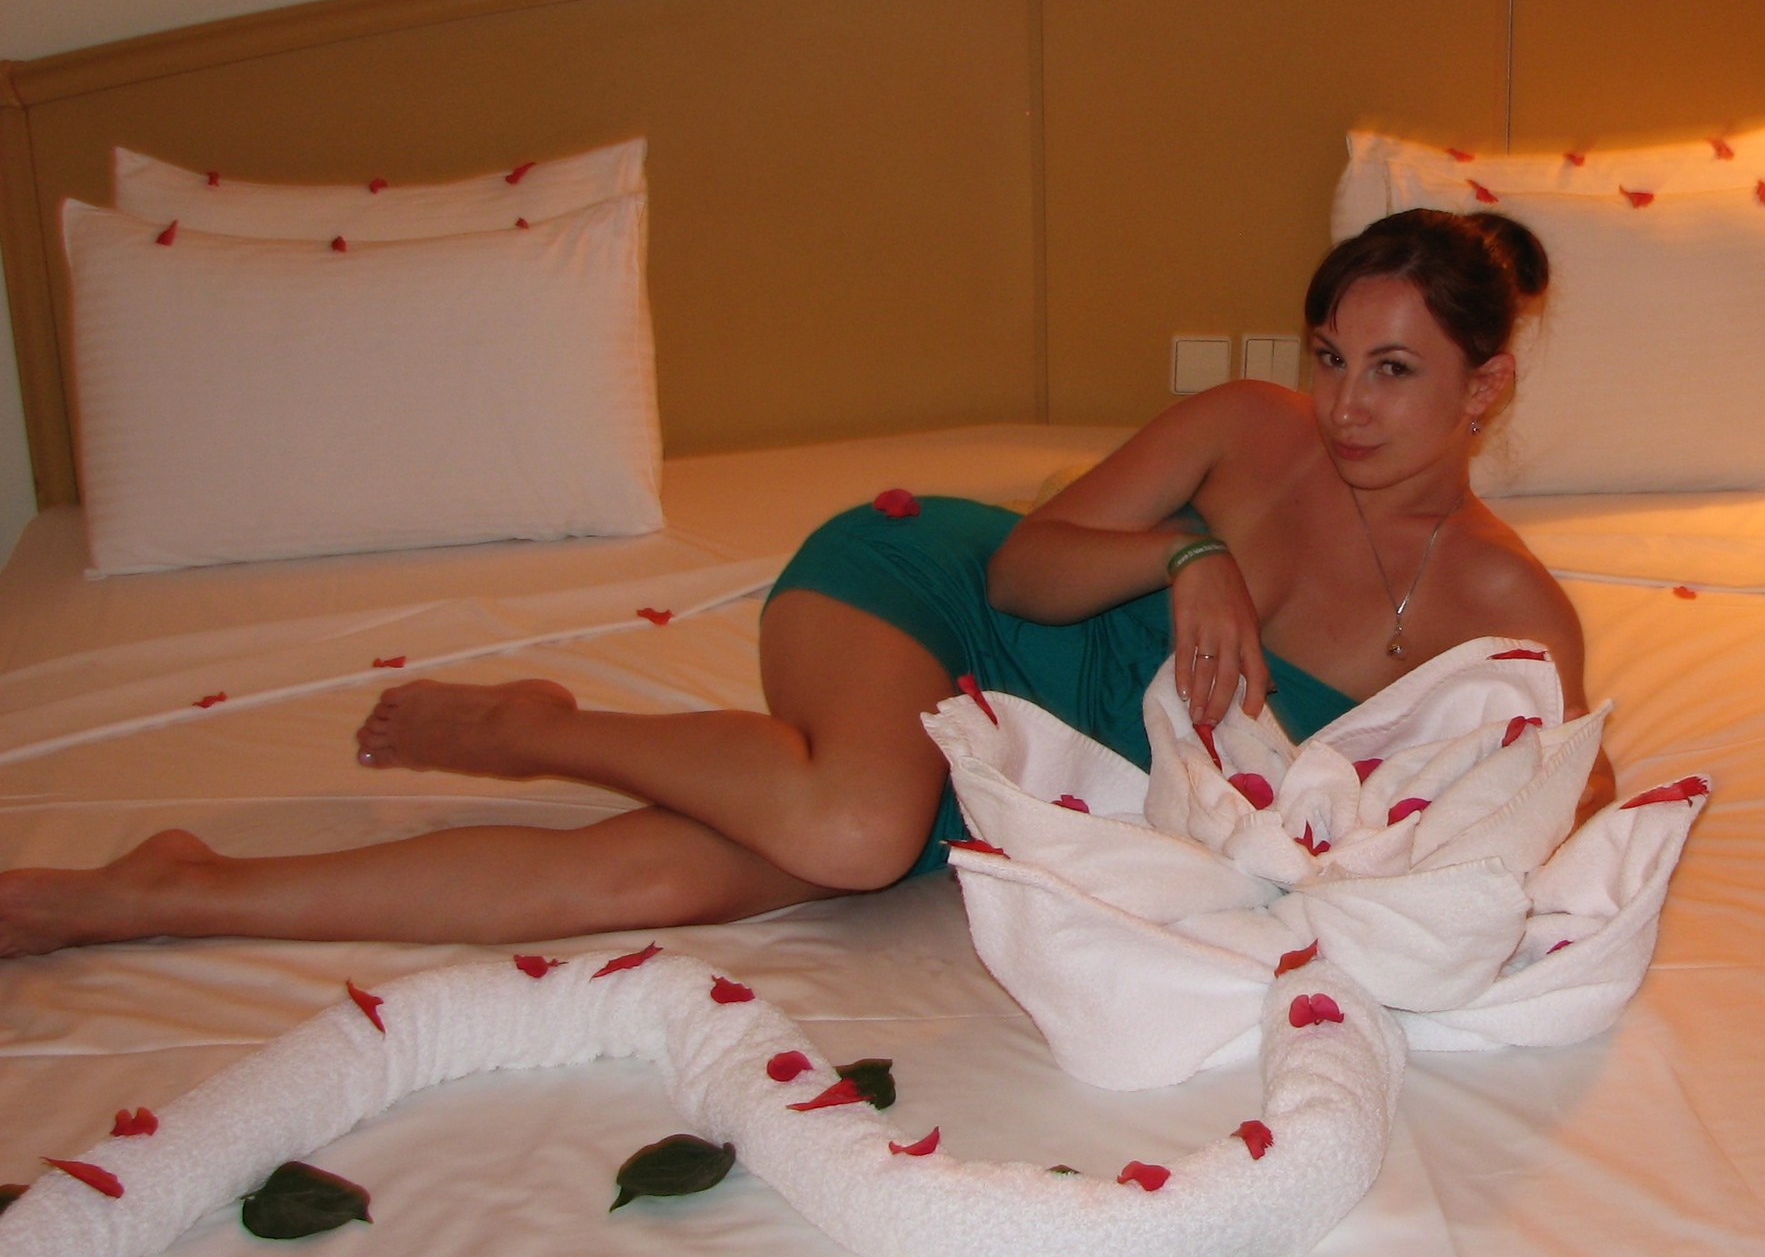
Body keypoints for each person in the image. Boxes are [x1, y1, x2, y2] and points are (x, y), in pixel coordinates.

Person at [0, 209, 1609, 958]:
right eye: (1330, 355)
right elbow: (1027, 564)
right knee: (848, 828)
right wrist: (1192, 553)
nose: (1344, 406)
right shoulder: (1250, 435)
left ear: (1485, 390)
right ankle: (543, 729)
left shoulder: (1513, 620)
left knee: (634, 889)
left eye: (1395, 372)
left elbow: (1538, 819)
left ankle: (163, 891)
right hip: (926, 601)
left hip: (1020, 789)